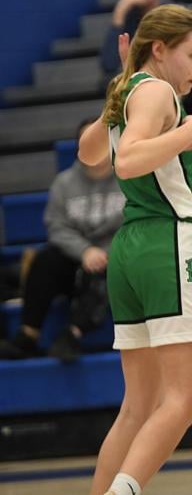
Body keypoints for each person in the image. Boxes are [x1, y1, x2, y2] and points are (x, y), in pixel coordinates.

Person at [78, 5, 192, 495]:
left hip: (131, 252)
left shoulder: (133, 90)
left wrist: (120, 86)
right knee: (185, 399)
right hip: (170, 244)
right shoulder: (157, 91)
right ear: (159, 49)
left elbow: (89, 152)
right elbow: (129, 161)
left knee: (139, 406)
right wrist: (188, 132)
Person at [0, 119, 125, 363]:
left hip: (116, 257)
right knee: (45, 260)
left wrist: (105, 252)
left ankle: (72, 334)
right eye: (87, 141)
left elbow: (136, 223)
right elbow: (57, 227)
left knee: (107, 272)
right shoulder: (64, 182)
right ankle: (28, 335)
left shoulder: (129, 177)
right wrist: (85, 251)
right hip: (77, 256)